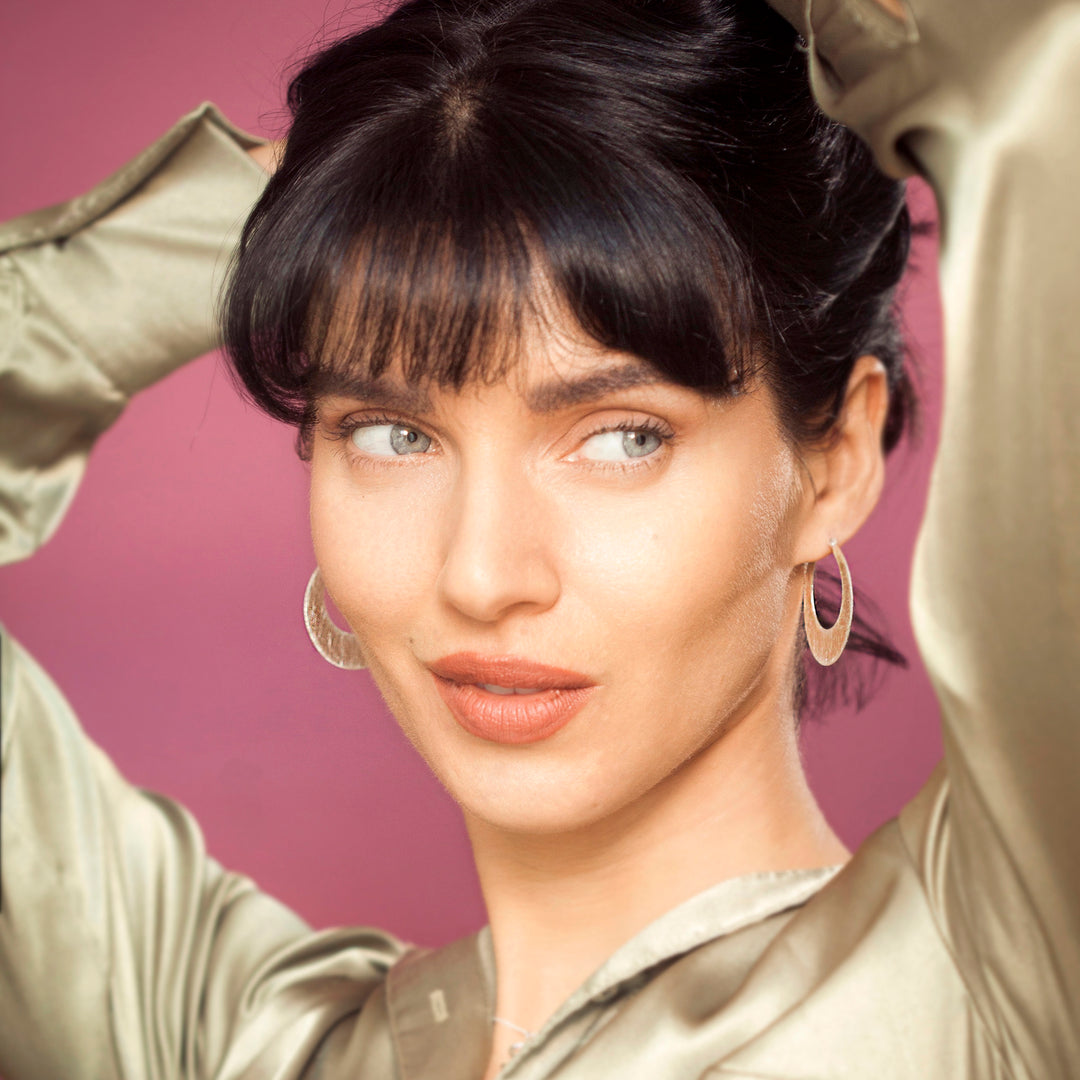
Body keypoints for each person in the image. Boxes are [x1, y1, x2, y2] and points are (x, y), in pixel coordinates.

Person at [0, 1, 1076, 1080]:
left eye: (620, 438)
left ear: (835, 461)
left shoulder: (1004, 983)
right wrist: (352, 188)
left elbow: (1048, 78)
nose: (480, 575)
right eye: (390, 433)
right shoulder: (238, 1049)